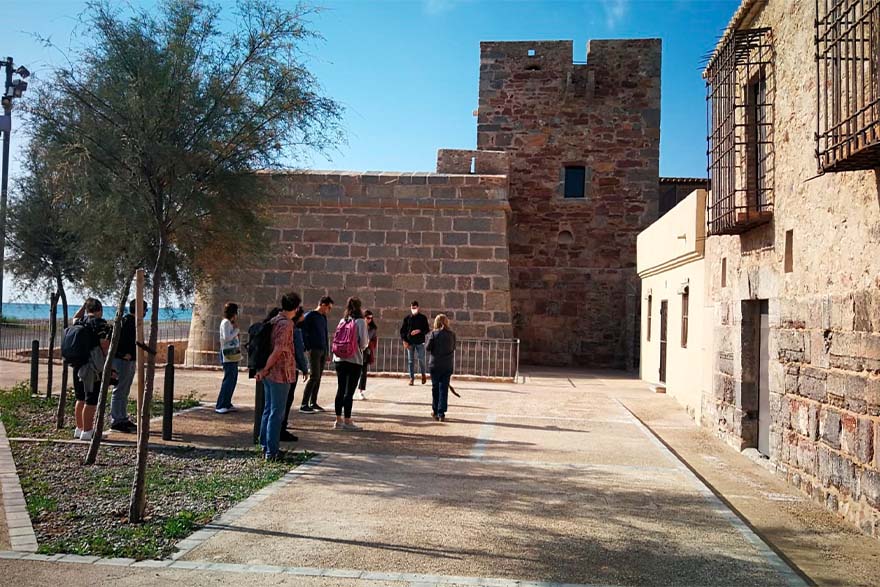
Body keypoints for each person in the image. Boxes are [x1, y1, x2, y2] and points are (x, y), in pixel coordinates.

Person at [255, 292, 302, 460]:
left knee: (268, 410)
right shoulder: (287, 324)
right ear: (296, 308)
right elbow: (279, 349)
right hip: (280, 373)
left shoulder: (274, 320)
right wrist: (266, 368)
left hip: (270, 373)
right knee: (277, 413)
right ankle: (272, 452)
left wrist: (264, 369)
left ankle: (265, 445)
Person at [71, 298, 111, 440]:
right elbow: (105, 346)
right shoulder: (101, 325)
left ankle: (79, 428)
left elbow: (75, 317)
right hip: (92, 367)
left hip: (78, 365)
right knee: (91, 399)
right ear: (100, 309)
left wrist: (84, 306)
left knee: (80, 398)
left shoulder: (80, 322)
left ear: (87, 310)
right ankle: (88, 432)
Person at [332, 297, 369, 430]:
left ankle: (338, 420)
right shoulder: (360, 322)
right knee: (350, 392)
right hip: (354, 360)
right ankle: (348, 421)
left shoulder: (343, 320)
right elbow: (364, 343)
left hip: (339, 359)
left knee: (340, 389)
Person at [109, 300, 146, 433]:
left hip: (130, 361)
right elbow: (113, 341)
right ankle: (116, 420)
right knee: (119, 390)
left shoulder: (134, 323)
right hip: (122, 361)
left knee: (125, 390)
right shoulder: (125, 322)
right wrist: (121, 354)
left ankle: (122, 417)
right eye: (145, 310)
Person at [300, 296, 334, 414]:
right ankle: (304, 403)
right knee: (314, 376)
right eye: (329, 307)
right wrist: (308, 347)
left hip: (322, 350)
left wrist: (327, 351)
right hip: (314, 349)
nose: (329, 310)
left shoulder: (323, 317)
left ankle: (313, 402)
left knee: (318, 377)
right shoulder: (310, 316)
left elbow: (325, 334)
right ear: (323, 305)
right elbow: (304, 332)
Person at [280, 307, 309, 442]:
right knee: (287, 399)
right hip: (290, 368)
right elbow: (299, 351)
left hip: (277, 368)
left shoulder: (278, 325)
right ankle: (281, 427)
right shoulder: (295, 331)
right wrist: (304, 368)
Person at [426, 313, 457, 422]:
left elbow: (428, 348)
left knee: (435, 388)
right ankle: (441, 412)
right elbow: (453, 347)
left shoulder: (434, 334)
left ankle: (435, 410)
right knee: (444, 389)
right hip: (447, 365)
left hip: (435, 364)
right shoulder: (452, 334)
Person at [215, 302, 241, 414]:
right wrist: (236, 331)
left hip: (232, 353)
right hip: (227, 354)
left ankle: (227, 402)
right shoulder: (225, 323)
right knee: (228, 379)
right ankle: (221, 404)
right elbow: (226, 338)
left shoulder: (229, 323)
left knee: (233, 379)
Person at [400, 300, 430, 386]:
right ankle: (411, 378)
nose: (413, 309)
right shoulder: (407, 318)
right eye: (412, 308)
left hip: (420, 342)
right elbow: (402, 331)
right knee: (410, 361)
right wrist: (404, 340)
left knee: (421, 359)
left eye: (415, 308)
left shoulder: (423, 318)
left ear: (418, 308)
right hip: (409, 342)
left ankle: (423, 374)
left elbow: (427, 329)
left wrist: (419, 331)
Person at [356, 310, 378, 400]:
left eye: (371, 318)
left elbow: (374, 340)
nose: (369, 320)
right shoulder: (358, 326)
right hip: (357, 351)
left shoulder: (373, 329)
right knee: (354, 372)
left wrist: (369, 344)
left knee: (363, 372)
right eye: (368, 318)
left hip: (366, 352)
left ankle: (361, 391)